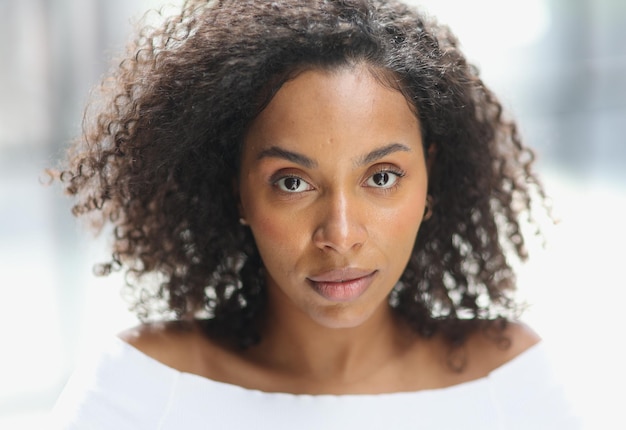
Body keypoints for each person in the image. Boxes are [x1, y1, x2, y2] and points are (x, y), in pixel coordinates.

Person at [51, 0, 581, 428]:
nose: (341, 235)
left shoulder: (511, 384)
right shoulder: (140, 390)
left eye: (381, 177)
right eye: (293, 182)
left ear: (430, 180)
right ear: (238, 192)